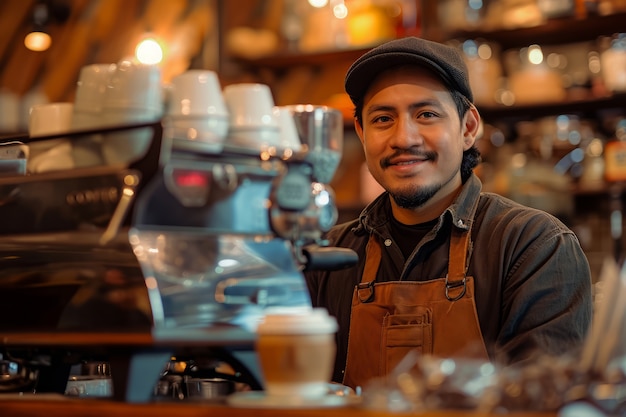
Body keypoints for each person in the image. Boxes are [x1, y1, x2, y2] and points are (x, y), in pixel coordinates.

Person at [304, 36, 593, 389]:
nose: (403, 138)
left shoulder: (534, 246)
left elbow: (542, 403)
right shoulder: (330, 255)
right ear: (362, 134)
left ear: (468, 127)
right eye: (383, 119)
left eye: (426, 114)